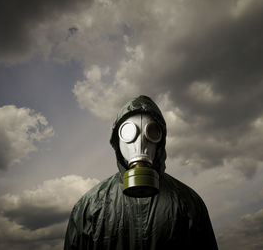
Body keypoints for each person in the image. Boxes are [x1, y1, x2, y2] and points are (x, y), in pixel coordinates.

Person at [64, 95, 218, 250]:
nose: (140, 143)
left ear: (161, 141)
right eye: (129, 132)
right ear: (118, 141)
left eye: (151, 131)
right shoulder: (89, 206)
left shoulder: (188, 203)